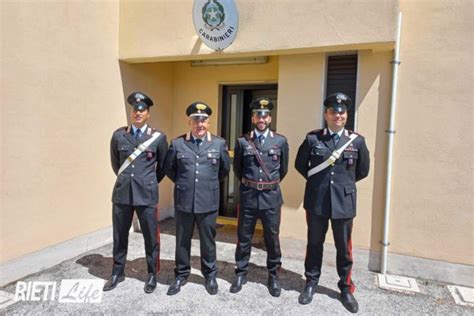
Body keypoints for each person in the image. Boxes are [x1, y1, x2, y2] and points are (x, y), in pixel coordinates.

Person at [294, 93, 370, 313]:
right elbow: (301, 165)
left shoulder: (357, 141)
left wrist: (341, 187)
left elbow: (362, 170)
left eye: (342, 112)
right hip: (317, 200)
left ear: (346, 115)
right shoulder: (313, 139)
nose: (338, 115)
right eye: (333, 112)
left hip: (344, 203)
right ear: (326, 114)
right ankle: (311, 282)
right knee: (314, 244)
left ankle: (345, 287)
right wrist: (320, 184)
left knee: (343, 249)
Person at [104, 91, 168, 293]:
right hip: (123, 193)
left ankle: (152, 273)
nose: (138, 113)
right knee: (119, 235)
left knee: (151, 236)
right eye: (135, 110)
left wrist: (147, 181)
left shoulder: (158, 138)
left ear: (148, 113)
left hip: (146, 194)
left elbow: (163, 167)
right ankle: (117, 272)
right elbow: (116, 165)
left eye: (142, 110)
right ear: (132, 112)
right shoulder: (119, 135)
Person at [164, 102, 230, 296]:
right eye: (195, 120)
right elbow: (169, 168)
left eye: (203, 120)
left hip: (208, 201)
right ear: (189, 122)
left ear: (208, 123)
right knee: (182, 240)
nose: (199, 124)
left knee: (208, 241)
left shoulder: (218, 143)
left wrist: (205, 185)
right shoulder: (177, 143)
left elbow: (224, 170)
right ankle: (181, 274)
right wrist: (185, 183)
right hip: (184, 200)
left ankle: (210, 275)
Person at [230, 97, 289, 297]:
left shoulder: (280, 141)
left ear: (270, 118)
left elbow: (284, 169)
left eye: (265, 115)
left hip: (271, 197)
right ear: (253, 118)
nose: (261, 118)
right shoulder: (242, 141)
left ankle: (273, 276)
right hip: (248, 196)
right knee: (244, 237)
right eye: (258, 115)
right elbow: (237, 168)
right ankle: (240, 272)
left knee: (271, 238)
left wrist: (267, 184)